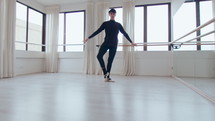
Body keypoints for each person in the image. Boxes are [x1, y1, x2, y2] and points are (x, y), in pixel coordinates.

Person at [84, 8, 137, 82]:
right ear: (109, 14)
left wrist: (131, 42)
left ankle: (108, 76)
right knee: (99, 56)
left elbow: (125, 33)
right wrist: (88, 38)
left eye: (113, 13)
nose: (112, 15)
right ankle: (105, 73)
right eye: (111, 13)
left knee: (110, 60)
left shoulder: (118, 25)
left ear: (115, 14)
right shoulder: (105, 23)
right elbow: (98, 31)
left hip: (114, 44)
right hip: (106, 43)